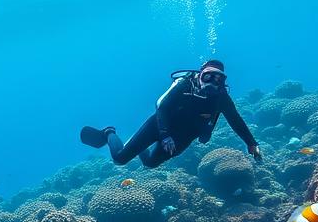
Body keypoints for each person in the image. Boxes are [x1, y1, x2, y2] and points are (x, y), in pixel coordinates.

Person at [80, 60, 262, 167]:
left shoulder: (221, 97)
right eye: (208, 76)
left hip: (184, 135)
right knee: (120, 159)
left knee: (149, 163)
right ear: (200, 75)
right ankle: (109, 132)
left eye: (219, 79)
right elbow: (162, 106)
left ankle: (139, 146)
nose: (213, 82)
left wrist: (251, 143)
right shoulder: (184, 84)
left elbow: (235, 120)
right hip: (161, 125)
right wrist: (165, 135)